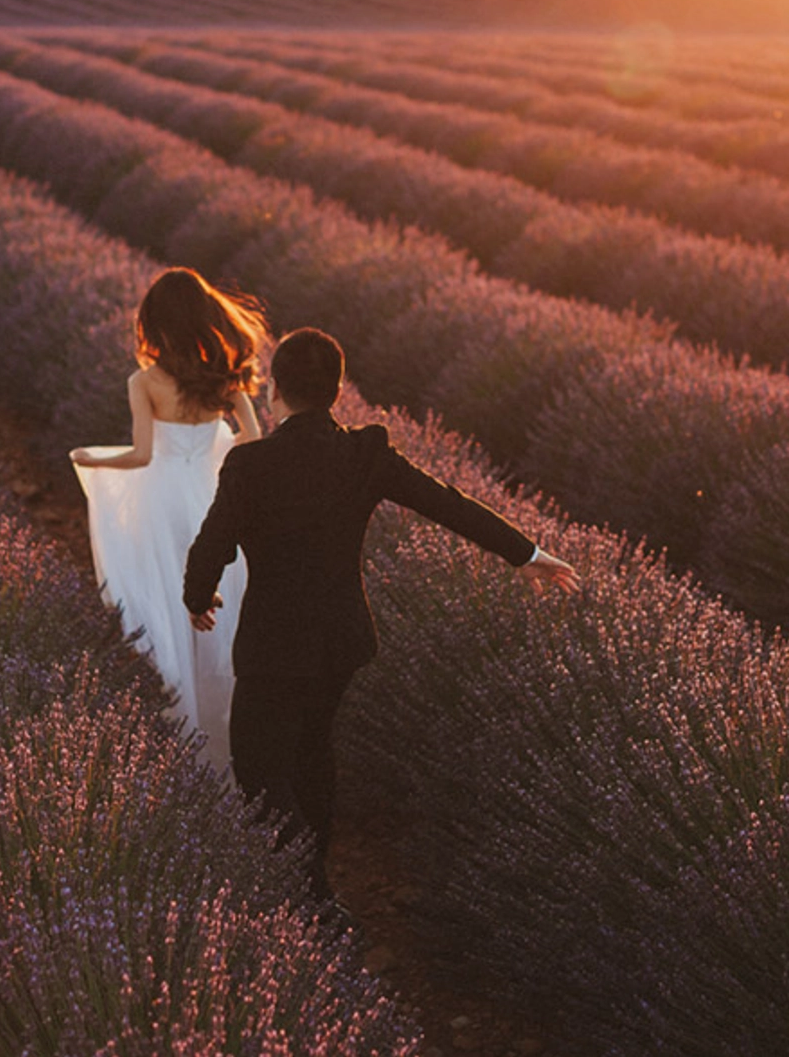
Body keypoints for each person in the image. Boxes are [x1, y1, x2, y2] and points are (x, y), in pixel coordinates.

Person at [183, 326, 580, 899]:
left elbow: (211, 544)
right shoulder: (364, 453)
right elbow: (446, 502)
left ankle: (307, 896)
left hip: (273, 644)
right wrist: (527, 555)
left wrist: (199, 597)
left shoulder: (252, 465)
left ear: (275, 391)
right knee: (312, 754)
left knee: (260, 769)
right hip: (341, 641)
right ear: (337, 391)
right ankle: (312, 882)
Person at [71, 267, 269, 768]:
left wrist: (91, 460)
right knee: (221, 615)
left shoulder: (145, 381)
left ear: (154, 324)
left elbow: (140, 456)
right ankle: (233, 743)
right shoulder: (225, 378)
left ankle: (180, 741)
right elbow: (253, 443)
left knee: (166, 607)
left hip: (161, 507)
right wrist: (215, 450)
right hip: (210, 499)